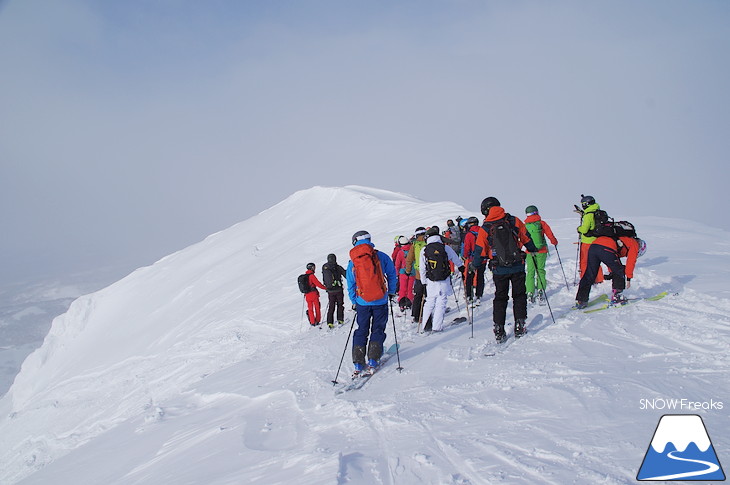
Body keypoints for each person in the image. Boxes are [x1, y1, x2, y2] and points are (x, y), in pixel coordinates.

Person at [471, 197, 538, 342]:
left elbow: (480, 251)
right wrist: (532, 249)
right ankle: (520, 324)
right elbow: (526, 237)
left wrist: (474, 265)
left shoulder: (486, 228)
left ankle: (499, 328)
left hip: (499, 268)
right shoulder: (513, 221)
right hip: (517, 265)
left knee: (500, 298)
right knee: (519, 295)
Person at [346, 231, 398, 376]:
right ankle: (373, 360)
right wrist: (391, 292)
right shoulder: (381, 256)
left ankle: (358, 361)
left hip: (362, 302)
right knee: (378, 329)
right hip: (380, 300)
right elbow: (392, 275)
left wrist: (354, 301)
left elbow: (350, 283)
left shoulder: (353, 261)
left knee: (361, 329)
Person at [574, 234, 645, 307]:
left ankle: (581, 300)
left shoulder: (624, 238)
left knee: (589, 274)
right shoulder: (635, 244)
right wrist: (629, 278)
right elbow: (631, 261)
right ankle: (617, 297)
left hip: (593, 246)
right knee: (619, 270)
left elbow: (613, 260)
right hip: (605, 248)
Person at [419, 226, 464, 332]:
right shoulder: (445, 248)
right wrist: (461, 267)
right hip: (444, 279)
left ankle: (425, 326)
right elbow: (455, 258)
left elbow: (422, 268)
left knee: (429, 302)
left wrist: (423, 281)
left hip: (431, 280)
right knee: (441, 301)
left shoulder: (424, 250)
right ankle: (437, 327)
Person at [524, 205, 559, 304]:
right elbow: (549, 234)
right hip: (541, 251)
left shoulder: (525, 225)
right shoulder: (541, 223)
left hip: (529, 252)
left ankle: (530, 292)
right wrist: (554, 242)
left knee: (530, 272)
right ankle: (540, 290)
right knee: (540, 271)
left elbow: (522, 238)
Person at [577, 195, 604, 284]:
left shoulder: (588, 215)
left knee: (584, 261)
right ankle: (599, 278)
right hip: (597, 240)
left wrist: (579, 229)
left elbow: (584, 229)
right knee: (596, 260)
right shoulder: (597, 211)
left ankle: (586, 279)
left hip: (587, 241)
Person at [405, 227, 428, 324]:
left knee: (418, 295)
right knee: (428, 295)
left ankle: (416, 315)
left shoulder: (414, 245)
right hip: (430, 273)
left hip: (419, 273)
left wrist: (408, 271)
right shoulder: (429, 243)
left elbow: (409, 259)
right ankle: (428, 313)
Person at [461, 216, 485, 307]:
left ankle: (469, 296)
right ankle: (479, 295)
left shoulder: (469, 234)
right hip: (482, 258)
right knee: (480, 276)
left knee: (470, 277)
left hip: (472, 259)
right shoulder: (483, 232)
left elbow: (467, 247)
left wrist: (465, 256)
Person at [322, 253, 347, 328]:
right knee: (340, 304)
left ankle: (330, 322)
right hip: (338, 289)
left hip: (330, 291)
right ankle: (340, 319)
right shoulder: (338, 267)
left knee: (331, 306)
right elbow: (346, 275)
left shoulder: (325, 267)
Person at [393, 235, 415, 311]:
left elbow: (397, 264)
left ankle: (402, 303)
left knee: (402, 289)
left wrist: (396, 274)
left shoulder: (400, 252)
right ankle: (409, 302)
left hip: (402, 273)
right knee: (410, 289)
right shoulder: (413, 250)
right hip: (412, 272)